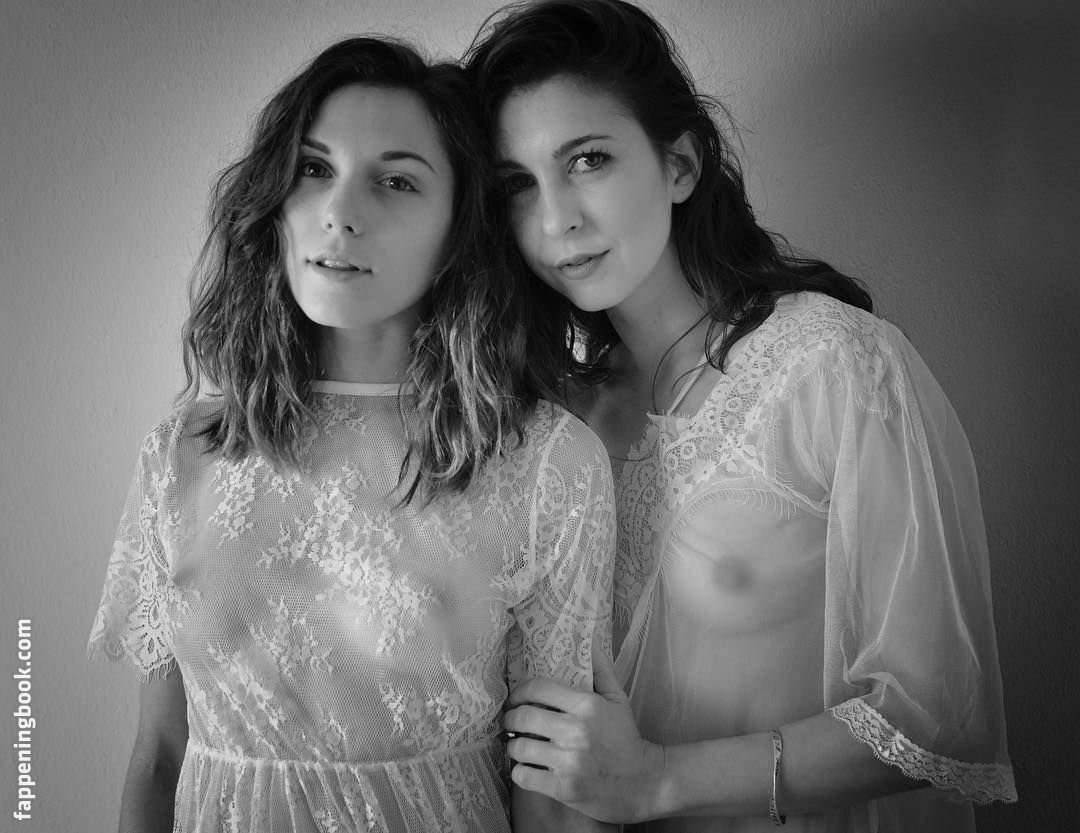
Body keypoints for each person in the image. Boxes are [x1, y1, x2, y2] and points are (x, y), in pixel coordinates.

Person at [464, 1, 1017, 830]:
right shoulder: (557, 421)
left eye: (588, 159)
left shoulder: (833, 363)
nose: (556, 219)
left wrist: (658, 778)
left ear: (680, 164)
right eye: (518, 185)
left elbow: (937, 715)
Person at [87, 35, 616, 833]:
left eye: (396, 180)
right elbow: (158, 756)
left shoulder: (546, 464)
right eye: (313, 168)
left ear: (459, 229)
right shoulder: (181, 453)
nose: (339, 211)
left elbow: (552, 792)